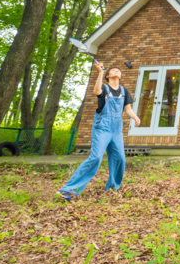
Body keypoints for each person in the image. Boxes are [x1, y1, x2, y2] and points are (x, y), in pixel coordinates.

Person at [58, 61, 141, 201]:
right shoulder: (104, 88)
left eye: (118, 70)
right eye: (113, 70)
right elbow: (96, 91)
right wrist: (100, 71)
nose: (116, 71)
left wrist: (135, 117)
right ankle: (68, 189)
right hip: (102, 128)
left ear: (120, 75)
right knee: (96, 157)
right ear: (108, 75)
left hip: (116, 130)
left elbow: (127, 109)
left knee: (120, 158)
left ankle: (113, 187)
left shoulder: (124, 91)